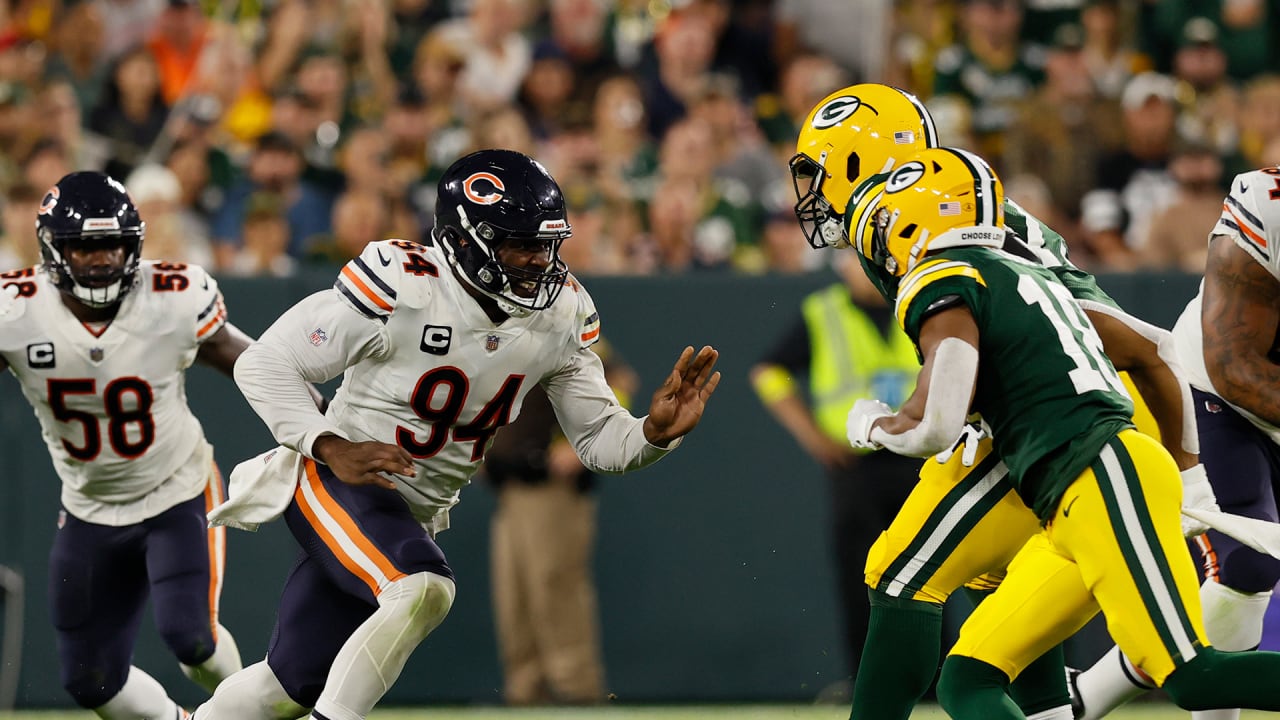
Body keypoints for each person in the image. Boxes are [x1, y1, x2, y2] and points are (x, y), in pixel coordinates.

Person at [192, 148, 721, 720]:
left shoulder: (560, 313)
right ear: (465, 240)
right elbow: (264, 363)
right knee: (423, 586)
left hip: (406, 512)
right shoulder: (405, 284)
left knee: (286, 685)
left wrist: (651, 433)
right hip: (336, 481)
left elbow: (597, 440)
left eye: (546, 246)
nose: (539, 263)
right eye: (521, 245)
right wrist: (329, 445)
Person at [788, 83, 1209, 720]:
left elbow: (1090, 329)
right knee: (993, 586)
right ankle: (1044, 710)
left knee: (903, 567)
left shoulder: (924, 217)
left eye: (819, 171)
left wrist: (901, 421)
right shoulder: (945, 200)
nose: (812, 192)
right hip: (1081, 394)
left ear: (857, 160)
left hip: (1069, 403)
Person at [846, 146, 1280, 720]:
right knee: (966, 680)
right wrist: (1189, 472)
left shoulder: (946, 279)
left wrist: (871, 425)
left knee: (1194, 677)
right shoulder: (1034, 273)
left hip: (1097, 478)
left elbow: (935, 423)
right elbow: (1156, 350)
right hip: (1070, 498)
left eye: (882, 223)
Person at [0, 171, 246, 719]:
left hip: (177, 488)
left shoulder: (173, 295)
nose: (100, 260)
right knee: (89, 679)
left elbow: (246, 361)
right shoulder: (15, 311)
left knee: (193, 641)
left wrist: (318, 420)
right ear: (52, 249)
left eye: (111, 245)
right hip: (89, 506)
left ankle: (258, 709)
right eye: (83, 248)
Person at [1070, 166, 1280, 720]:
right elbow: (1233, 366)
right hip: (1216, 393)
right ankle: (1086, 697)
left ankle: (1082, 697)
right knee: (1249, 563)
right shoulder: (1268, 204)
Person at [749, 251, 921, 690]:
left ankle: (931, 679)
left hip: (920, 461)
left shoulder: (918, 304)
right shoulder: (822, 311)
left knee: (927, 574)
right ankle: (869, 679)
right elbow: (768, 373)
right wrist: (811, 436)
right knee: (861, 576)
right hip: (855, 465)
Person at [482, 337, 637, 706]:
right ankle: (527, 689)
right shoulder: (495, 325)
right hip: (510, 485)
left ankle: (576, 689)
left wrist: (583, 442)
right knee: (514, 592)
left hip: (551, 487)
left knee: (554, 584)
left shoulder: (559, 324)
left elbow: (619, 379)